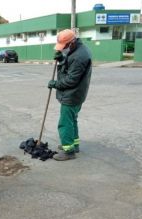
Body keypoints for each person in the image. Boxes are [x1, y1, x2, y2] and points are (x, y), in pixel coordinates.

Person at [48, 29, 92, 161]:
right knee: (72, 120)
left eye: (64, 47)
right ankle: (74, 145)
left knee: (65, 123)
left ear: (72, 43)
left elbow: (71, 80)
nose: (63, 49)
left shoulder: (79, 56)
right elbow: (69, 65)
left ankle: (68, 151)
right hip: (77, 94)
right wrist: (62, 59)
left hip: (72, 94)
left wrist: (55, 84)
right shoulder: (77, 50)